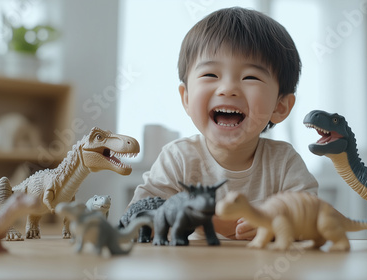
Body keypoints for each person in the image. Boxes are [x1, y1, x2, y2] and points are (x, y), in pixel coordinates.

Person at [127, 6, 317, 240]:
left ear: (280, 107)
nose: (227, 88)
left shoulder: (284, 163)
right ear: (186, 98)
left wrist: (277, 225)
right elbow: (137, 219)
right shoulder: (177, 159)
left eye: (250, 77)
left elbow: (313, 219)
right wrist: (192, 217)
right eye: (210, 75)